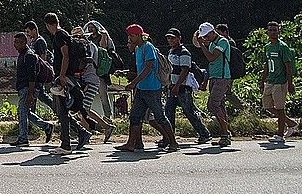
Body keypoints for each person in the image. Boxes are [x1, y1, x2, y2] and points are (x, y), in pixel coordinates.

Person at [118, 24, 177, 153]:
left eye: (131, 36)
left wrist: (134, 82)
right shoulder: (138, 48)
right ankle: (131, 144)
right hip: (142, 89)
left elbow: (149, 67)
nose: (130, 38)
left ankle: (173, 142)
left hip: (152, 88)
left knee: (160, 117)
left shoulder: (148, 47)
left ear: (138, 35)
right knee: (134, 116)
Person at [46, 13, 90, 155]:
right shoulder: (64, 34)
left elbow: (65, 55)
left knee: (62, 111)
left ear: (48, 25)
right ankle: (80, 132)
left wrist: (62, 75)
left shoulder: (59, 35)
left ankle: (66, 144)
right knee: (61, 110)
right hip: (66, 75)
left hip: (64, 76)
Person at [164, 28, 211, 145]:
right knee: (168, 111)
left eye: (173, 38)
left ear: (179, 38)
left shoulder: (184, 52)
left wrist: (177, 85)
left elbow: (185, 70)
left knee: (189, 111)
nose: (170, 40)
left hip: (183, 87)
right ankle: (170, 137)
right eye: (169, 38)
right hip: (171, 86)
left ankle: (204, 133)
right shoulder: (171, 52)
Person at [10, 31, 54, 148]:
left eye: (18, 42)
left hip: (27, 89)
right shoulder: (22, 54)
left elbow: (32, 76)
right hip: (23, 88)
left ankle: (23, 138)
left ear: (24, 42)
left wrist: (30, 94)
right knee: (25, 112)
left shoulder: (29, 55)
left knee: (22, 112)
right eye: (14, 42)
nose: (15, 45)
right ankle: (46, 126)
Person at [194, 21, 233, 148]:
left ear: (212, 32)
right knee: (220, 105)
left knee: (213, 104)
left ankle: (225, 133)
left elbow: (211, 58)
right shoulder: (211, 43)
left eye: (206, 36)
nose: (205, 38)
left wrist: (202, 44)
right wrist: (206, 80)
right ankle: (224, 135)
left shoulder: (222, 42)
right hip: (214, 77)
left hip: (223, 77)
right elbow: (210, 64)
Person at [260, 21, 298, 142]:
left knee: (280, 108)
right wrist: (262, 81)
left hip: (280, 82)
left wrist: (290, 83)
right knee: (267, 106)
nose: (272, 32)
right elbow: (266, 65)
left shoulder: (282, 47)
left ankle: (280, 134)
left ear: (279, 31)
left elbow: (288, 67)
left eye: (274, 30)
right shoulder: (267, 47)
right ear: (267, 32)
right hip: (270, 80)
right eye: (270, 30)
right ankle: (290, 123)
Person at [85, 20, 117, 117]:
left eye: (92, 27)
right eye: (89, 27)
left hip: (100, 70)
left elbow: (103, 48)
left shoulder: (101, 37)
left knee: (103, 95)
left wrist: (104, 36)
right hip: (89, 70)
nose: (90, 29)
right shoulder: (87, 39)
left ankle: (108, 116)